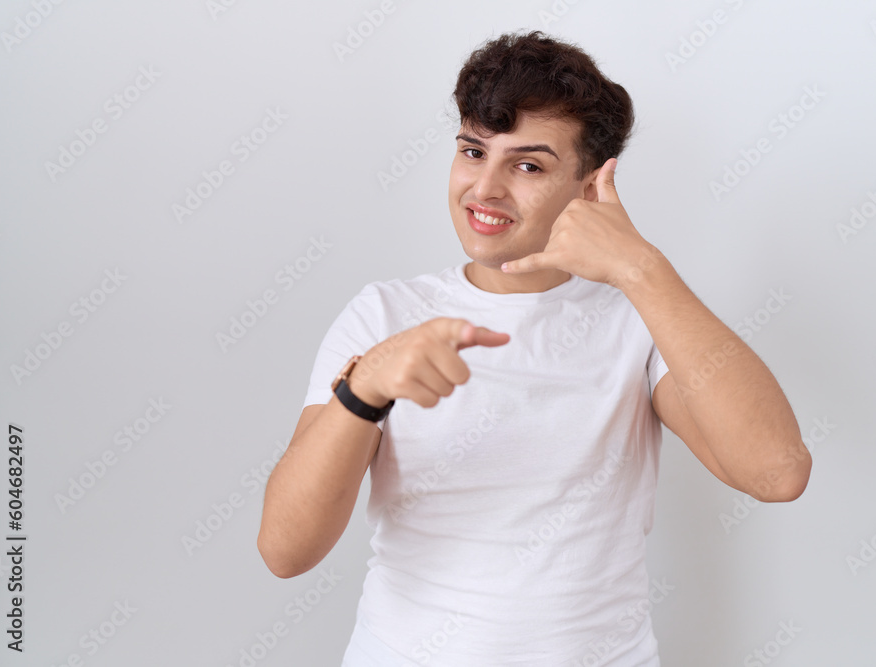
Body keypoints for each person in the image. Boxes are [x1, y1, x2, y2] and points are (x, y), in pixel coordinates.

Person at [257, 29, 811, 665]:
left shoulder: (641, 320)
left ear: (588, 186)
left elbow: (777, 473)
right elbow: (284, 551)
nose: (484, 189)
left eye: (527, 165)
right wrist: (364, 390)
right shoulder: (384, 313)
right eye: (472, 151)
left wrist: (641, 268)